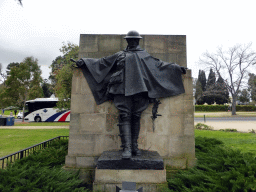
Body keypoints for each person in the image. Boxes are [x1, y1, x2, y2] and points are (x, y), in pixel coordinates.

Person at [74, 30, 187, 159]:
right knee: (125, 116)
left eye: (135, 40)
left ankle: (134, 146)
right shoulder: (120, 55)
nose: (132, 42)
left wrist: (176, 68)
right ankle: (126, 148)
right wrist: (85, 62)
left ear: (138, 41)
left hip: (140, 90)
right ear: (127, 41)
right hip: (121, 89)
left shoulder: (144, 55)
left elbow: (159, 65)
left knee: (136, 116)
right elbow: (103, 62)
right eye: (130, 40)